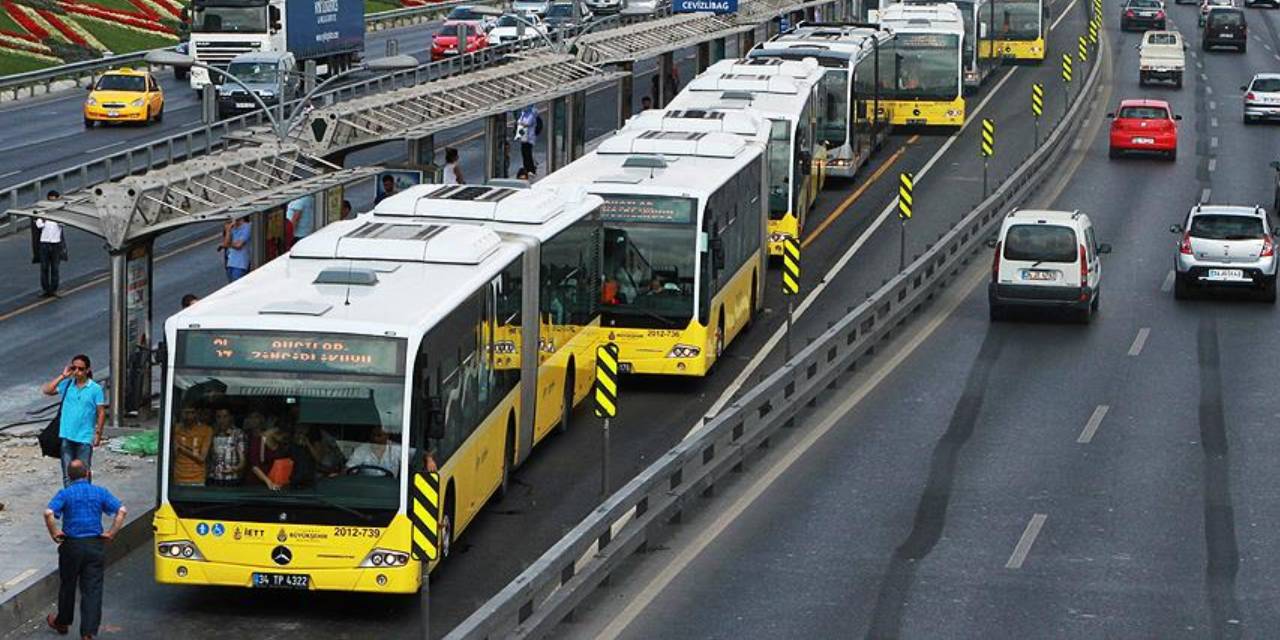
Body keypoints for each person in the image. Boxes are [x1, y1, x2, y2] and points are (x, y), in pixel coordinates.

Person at [43, 460, 125, 640]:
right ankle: (88, 632)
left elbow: (49, 513)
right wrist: (111, 533)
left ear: (69, 477)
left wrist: (55, 532)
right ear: (88, 473)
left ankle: (63, 621)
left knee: (68, 585)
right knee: (92, 589)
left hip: (71, 545)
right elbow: (122, 510)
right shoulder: (100, 492)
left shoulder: (65, 493)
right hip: (95, 545)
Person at [41, 355, 105, 487]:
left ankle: (85, 499)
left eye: (80, 369)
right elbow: (47, 390)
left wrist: (98, 434)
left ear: (87, 370)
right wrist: (63, 376)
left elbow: (101, 412)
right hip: (66, 435)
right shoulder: (68, 384)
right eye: (74, 368)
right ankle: (70, 501)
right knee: (67, 473)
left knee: (84, 472)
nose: (77, 372)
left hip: (84, 437)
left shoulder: (95, 389)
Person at [172, 407, 213, 487]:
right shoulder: (175, 429)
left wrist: (181, 448)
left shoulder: (206, 430)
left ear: (197, 414)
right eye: (186, 413)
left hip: (197, 478)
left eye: (192, 412)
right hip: (179, 477)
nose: (189, 416)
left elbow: (202, 458)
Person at [207, 408, 246, 486]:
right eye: (219, 417)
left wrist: (235, 468)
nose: (222, 420)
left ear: (230, 417)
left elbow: (243, 460)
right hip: (214, 478)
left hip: (231, 478)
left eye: (225, 416)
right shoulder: (211, 432)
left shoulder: (238, 433)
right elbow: (207, 456)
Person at [248, 425, 291, 490]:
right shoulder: (257, 442)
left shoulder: (281, 444)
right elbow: (255, 467)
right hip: (257, 484)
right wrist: (268, 482)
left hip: (277, 483)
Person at [35, 210, 66, 298]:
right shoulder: (42, 214)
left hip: (56, 243)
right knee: (44, 267)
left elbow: (63, 224)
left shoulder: (59, 215)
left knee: (55, 268)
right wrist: (44, 219)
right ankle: (45, 289)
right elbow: (39, 225)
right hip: (44, 243)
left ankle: (53, 289)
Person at [220, 216, 251, 282]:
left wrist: (229, 244)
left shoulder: (247, 227)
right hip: (230, 262)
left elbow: (238, 245)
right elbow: (226, 243)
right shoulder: (232, 228)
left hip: (240, 264)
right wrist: (228, 231)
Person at [515, 105, 540, 174]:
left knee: (527, 153)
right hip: (524, 137)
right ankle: (527, 168)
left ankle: (531, 169)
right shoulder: (524, 113)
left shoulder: (532, 113)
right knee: (524, 153)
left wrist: (521, 123)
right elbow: (519, 121)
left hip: (529, 138)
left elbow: (527, 123)